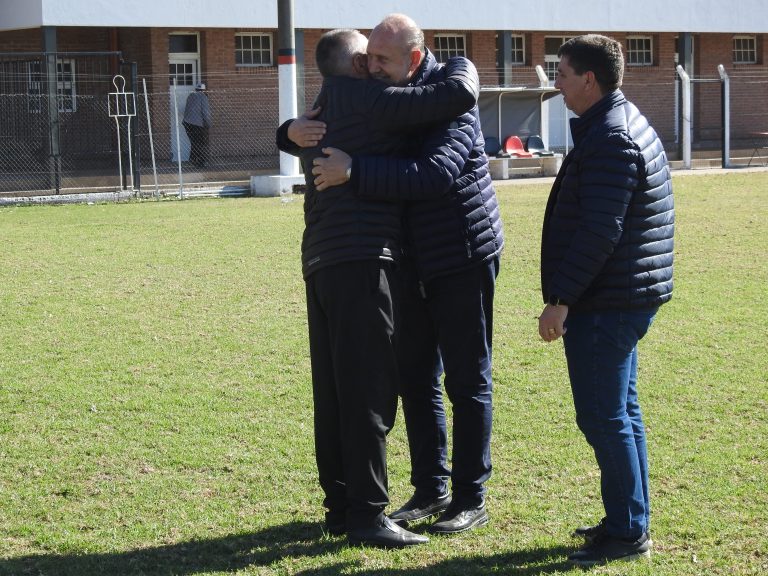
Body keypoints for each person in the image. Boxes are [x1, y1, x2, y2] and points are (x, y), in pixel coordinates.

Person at [275, 28, 480, 548]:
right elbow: (451, 96)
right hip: (362, 258)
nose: (376, 65)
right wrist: (467, 69)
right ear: (359, 66)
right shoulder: (373, 98)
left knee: (335, 389)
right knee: (368, 388)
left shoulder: (318, 107)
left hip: (320, 258)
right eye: (370, 58)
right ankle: (367, 514)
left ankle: (340, 506)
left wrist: (284, 131)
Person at [537, 34, 674, 567]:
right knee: (622, 411)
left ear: (589, 80)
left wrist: (562, 300)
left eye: (563, 74)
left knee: (603, 417)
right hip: (623, 293)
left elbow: (600, 232)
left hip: (609, 300)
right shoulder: (616, 121)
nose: (557, 83)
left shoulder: (611, 136)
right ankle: (628, 519)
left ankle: (627, 531)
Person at [183, 82, 211, 167]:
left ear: (196, 89)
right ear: (204, 90)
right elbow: (205, 112)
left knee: (194, 142)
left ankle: (193, 159)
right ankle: (201, 162)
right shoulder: (203, 97)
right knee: (201, 143)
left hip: (187, 123)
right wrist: (208, 124)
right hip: (197, 124)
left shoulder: (191, 96)